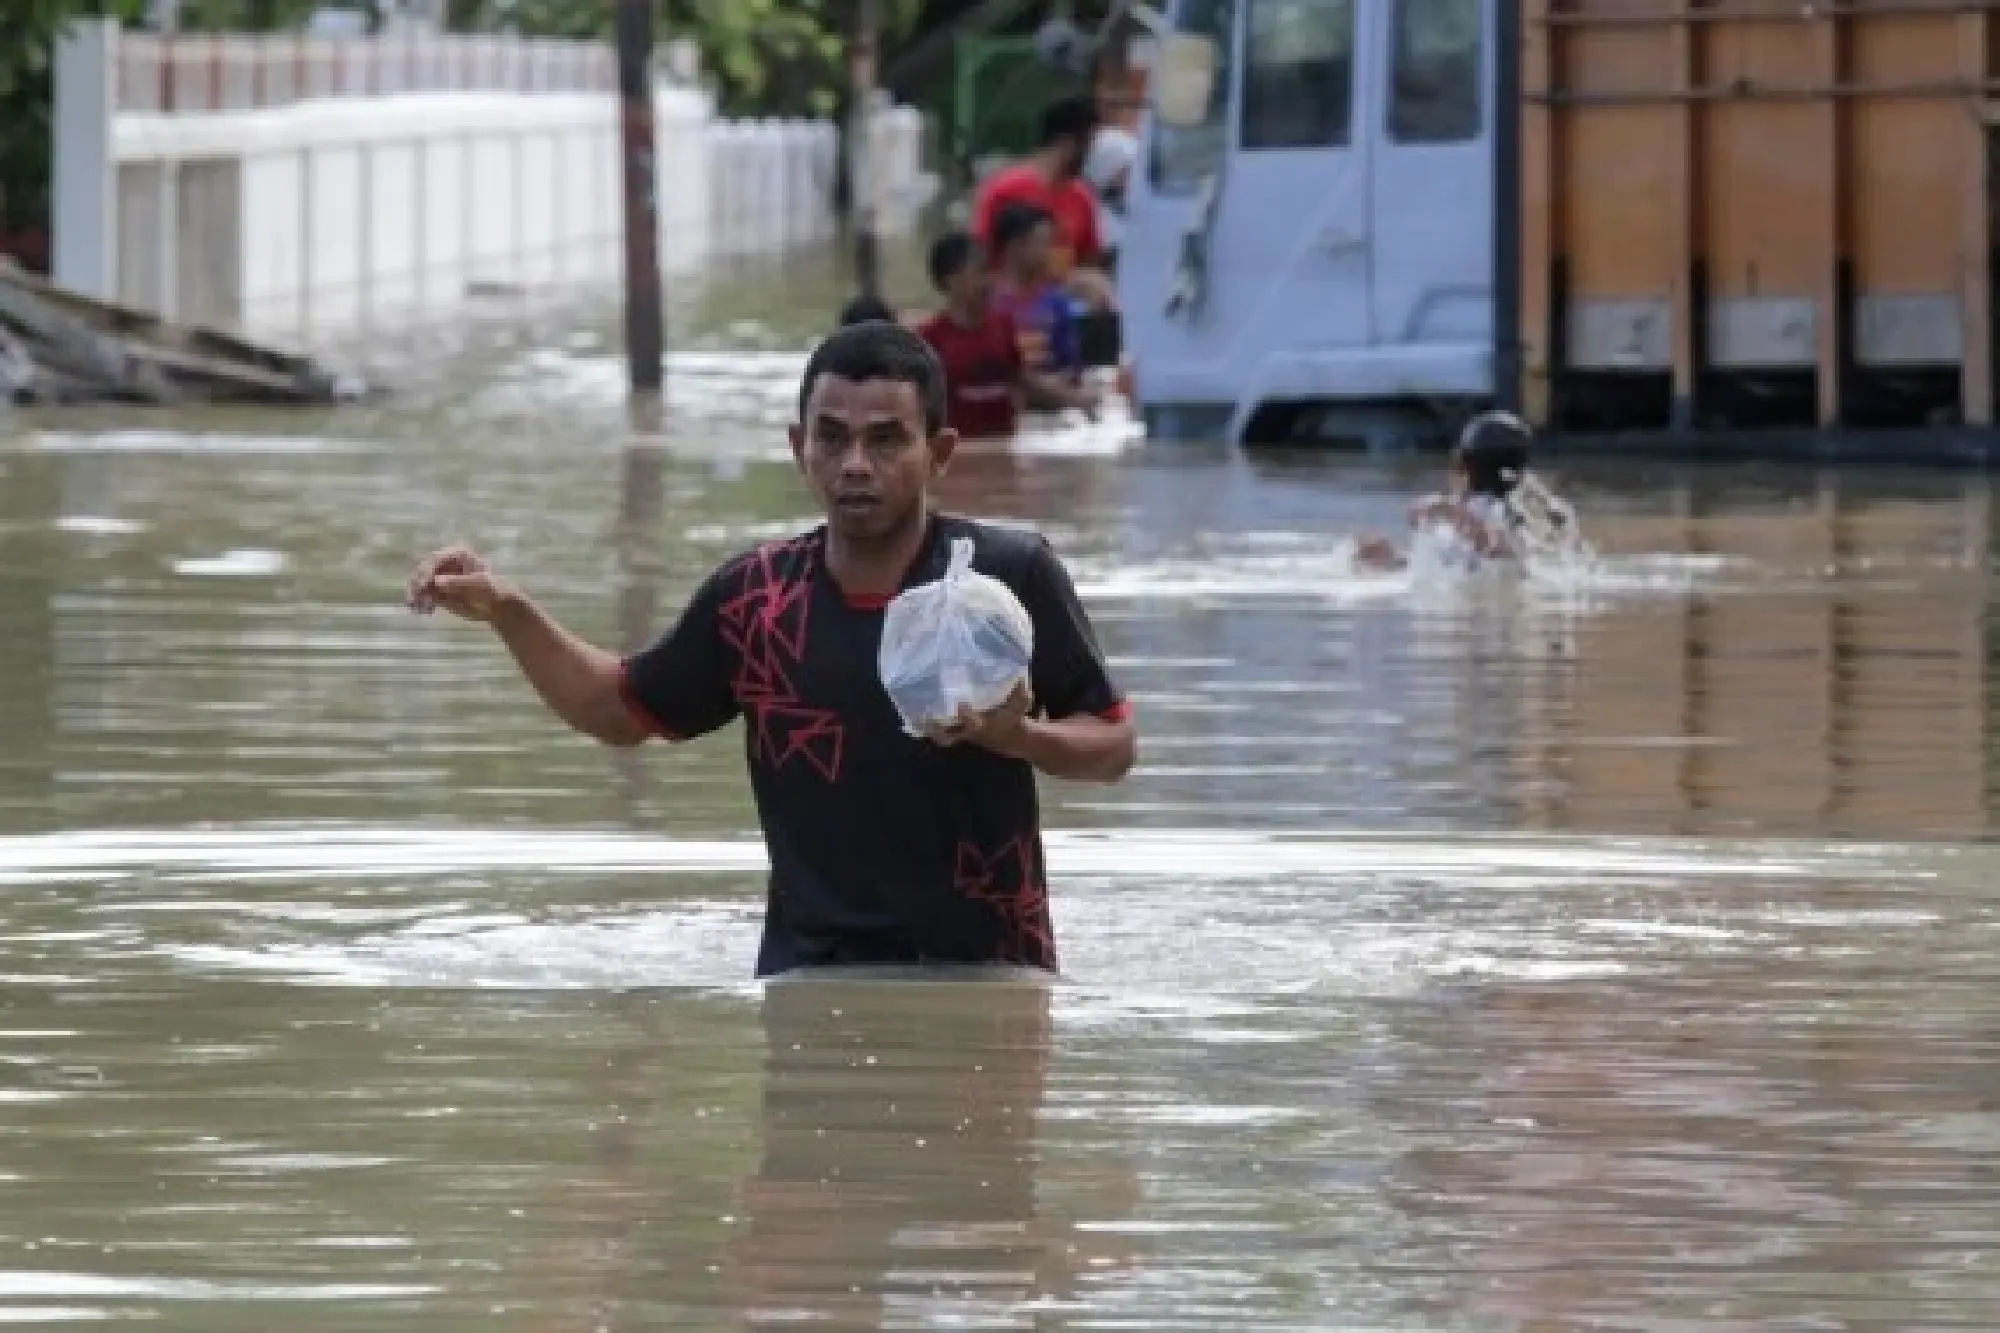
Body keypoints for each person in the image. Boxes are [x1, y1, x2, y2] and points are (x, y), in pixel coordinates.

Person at [405, 321, 1137, 978]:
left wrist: (1019, 736)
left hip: (991, 982)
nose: (855, 463)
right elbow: (616, 710)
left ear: (938, 451)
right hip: (809, 985)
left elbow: (1113, 744)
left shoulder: (1003, 578)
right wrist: (510, 611)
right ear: (799, 448)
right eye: (833, 436)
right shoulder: (755, 600)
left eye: (886, 439)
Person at [915, 229, 1098, 438]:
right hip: (959, 453)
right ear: (951, 279)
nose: (988, 281)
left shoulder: (1003, 326)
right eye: (979, 272)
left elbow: (1021, 380)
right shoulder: (929, 339)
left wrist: (1075, 399)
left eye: (989, 271)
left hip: (1003, 446)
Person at [970, 94, 1116, 311]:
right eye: (1090, 144)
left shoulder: (1083, 198)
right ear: (1068, 143)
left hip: (1063, 310)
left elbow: (1089, 263)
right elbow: (977, 258)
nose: (1093, 155)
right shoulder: (1003, 191)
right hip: (1008, 309)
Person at [1356, 411, 1540, 572]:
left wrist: (1448, 509)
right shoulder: (1525, 506)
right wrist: (1393, 559)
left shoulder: (1498, 509)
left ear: (1465, 463)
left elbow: (1497, 549)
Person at [989, 203, 1090, 385]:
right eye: (1043, 243)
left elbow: (1073, 367)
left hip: (1052, 403)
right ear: (1015, 246)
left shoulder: (1057, 302)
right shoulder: (986, 302)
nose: (1049, 253)